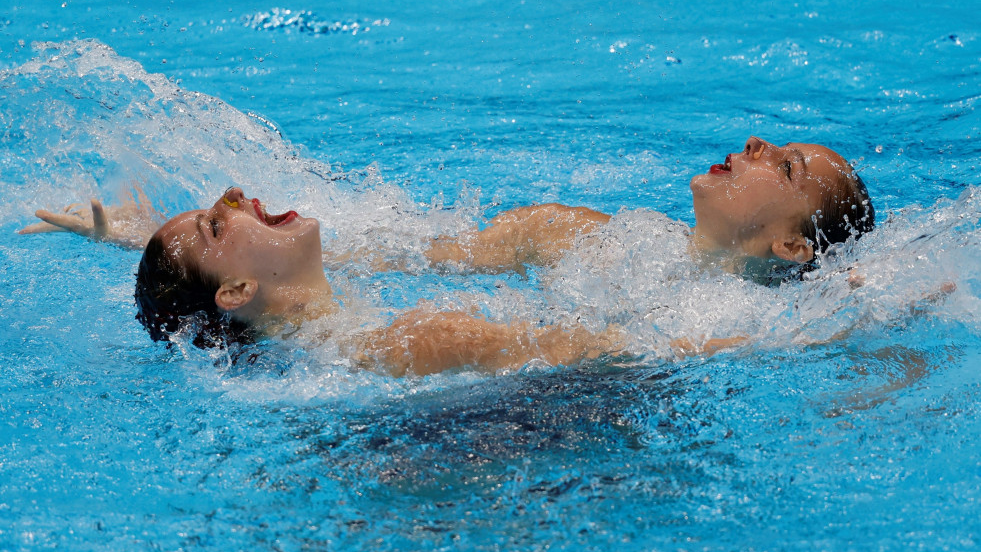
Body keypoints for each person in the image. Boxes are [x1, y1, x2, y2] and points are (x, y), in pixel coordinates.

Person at [20, 136, 875, 373]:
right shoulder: (576, 232)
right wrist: (832, 328)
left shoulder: (363, 332)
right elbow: (611, 352)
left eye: (786, 164)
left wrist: (160, 247)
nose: (757, 140)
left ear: (791, 245)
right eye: (213, 223)